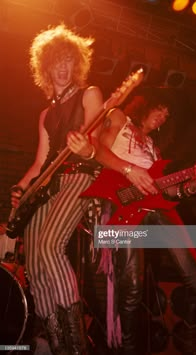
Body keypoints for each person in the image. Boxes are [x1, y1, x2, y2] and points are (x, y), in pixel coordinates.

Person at [9, 23, 107, 355]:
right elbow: (39, 163)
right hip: (45, 186)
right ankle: (58, 343)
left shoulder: (90, 94)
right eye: (57, 61)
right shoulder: (46, 114)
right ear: (46, 67)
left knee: (50, 247)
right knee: (35, 266)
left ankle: (77, 343)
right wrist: (21, 188)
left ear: (75, 63)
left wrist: (86, 148)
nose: (63, 67)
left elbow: (97, 144)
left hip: (79, 176)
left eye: (68, 60)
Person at [91, 92, 196, 355]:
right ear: (147, 102)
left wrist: (192, 186)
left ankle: (192, 335)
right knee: (132, 285)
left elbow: (166, 193)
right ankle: (128, 348)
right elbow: (97, 150)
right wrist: (129, 171)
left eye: (167, 116)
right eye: (161, 109)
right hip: (120, 200)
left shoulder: (155, 149)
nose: (163, 118)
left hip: (154, 206)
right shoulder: (119, 117)